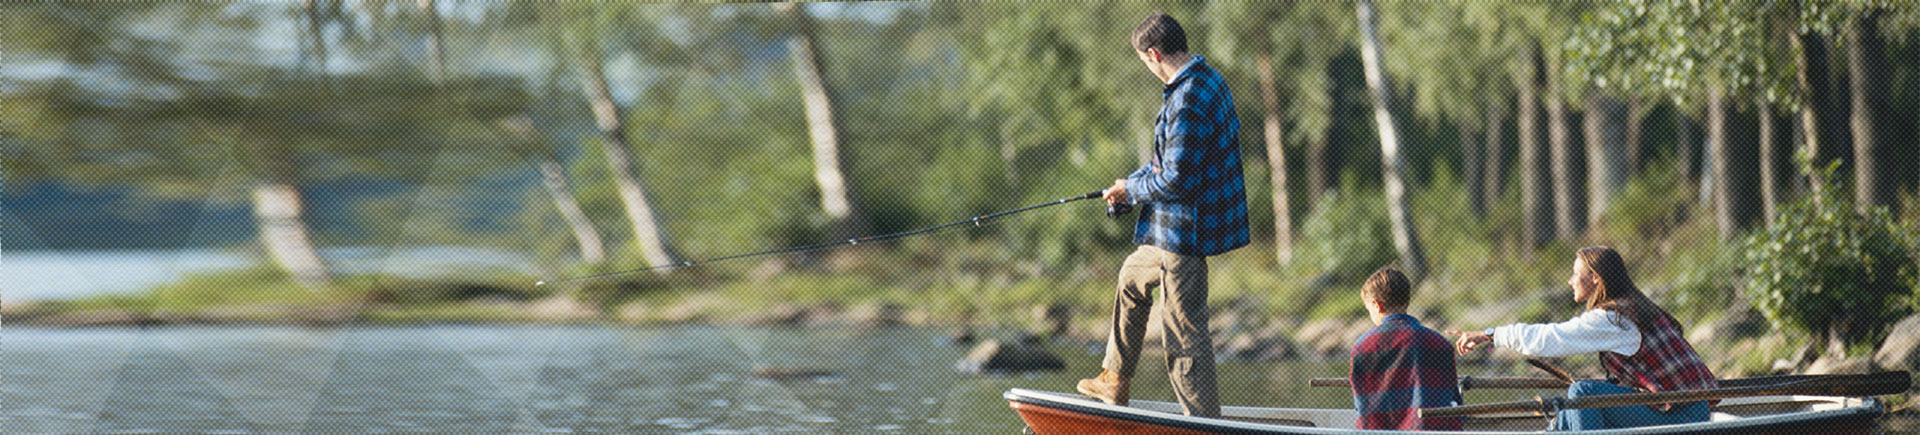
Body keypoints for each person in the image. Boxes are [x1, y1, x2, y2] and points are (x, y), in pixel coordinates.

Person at [1075, 11, 1248, 418]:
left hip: (1186, 231)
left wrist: (1133, 191)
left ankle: (1203, 422)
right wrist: (1126, 187)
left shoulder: (1187, 99)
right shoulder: (1205, 79)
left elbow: (1176, 182)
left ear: (1153, 54)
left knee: (1184, 336)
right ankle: (1114, 379)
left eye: (1144, 61)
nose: (1147, 68)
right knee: (1131, 278)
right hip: (1172, 228)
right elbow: (1164, 164)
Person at [1449, 246, 1718, 430]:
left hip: (1683, 416)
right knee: (1570, 407)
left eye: (1576, 274)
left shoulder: (1613, 318)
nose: (1570, 281)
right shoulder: (1633, 307)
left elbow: (1548, 339)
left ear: (1596, 280)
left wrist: (1491, 334)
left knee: (1582, 393)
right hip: (1684, 409)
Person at [1349, 267, 1463, 431]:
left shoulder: (1362, 348)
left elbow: (1362, 408)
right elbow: (1453, 400)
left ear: (1377, 305)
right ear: (1407, 301)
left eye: (1369, 310)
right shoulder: (1442, 344)